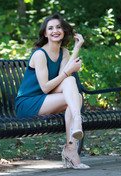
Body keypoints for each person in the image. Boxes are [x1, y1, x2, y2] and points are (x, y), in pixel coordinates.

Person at [15, 14, 90, 170]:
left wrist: (76, 49)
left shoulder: (64, 52)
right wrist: (69, 70)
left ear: (64, 30)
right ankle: (75, 130)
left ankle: (71, 148)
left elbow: (63, 79)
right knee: (74, 96)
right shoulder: (40, 54)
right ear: (45, 33)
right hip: (29, 103)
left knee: (71, 87)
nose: (55, 31)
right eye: (50, 28)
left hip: (47, 99)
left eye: (58, 27)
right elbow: (45, 88)